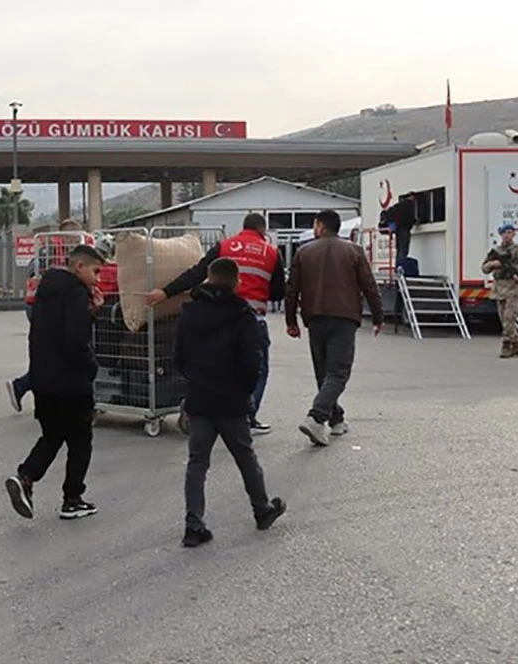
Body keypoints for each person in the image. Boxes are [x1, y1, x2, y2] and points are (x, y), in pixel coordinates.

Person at [174, 258, 287, 548]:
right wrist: (245, 392)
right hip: (232, 400)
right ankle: (262, 509)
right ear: (236, 282)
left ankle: (193, 523)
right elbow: (252, 363)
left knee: (197, 463)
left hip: (199, 398)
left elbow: (179, 358)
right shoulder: (242, 315)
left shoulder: (189, 312)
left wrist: (195, 381)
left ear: (208, 278)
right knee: (245, 458)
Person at [145, 212, 286, 435]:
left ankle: (200, 407)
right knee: (256, 370)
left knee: (214, 367)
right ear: (263, 231)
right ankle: (245, 416)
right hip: (250, 319)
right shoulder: (271, 252)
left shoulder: (224, 246)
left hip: (214, 316)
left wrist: (165, 292)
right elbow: (278, 292)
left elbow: (197, 273)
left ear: (243, 228)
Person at [4, 244, 105, 521]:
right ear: (79, 267)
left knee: (53, 435)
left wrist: (90, 313)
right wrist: (91, 367)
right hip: (70, 382)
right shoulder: (74, 293)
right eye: (95, 271)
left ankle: (25, 478)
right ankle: (72, 499)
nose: (97, 279)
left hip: (44, 380)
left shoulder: (47, 292)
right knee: (81, 440)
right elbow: (75, 340)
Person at [284, 210, 384, 447]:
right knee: (338, 372)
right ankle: (317, 417)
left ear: (320, 226)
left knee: (324, 372)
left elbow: (292, 289)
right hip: (344, 317)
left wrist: (291, 321)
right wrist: (378, 316)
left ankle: (336, 419)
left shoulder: (304, 252)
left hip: (315, 317)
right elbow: (369, 286)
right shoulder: (353, 251)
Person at [7, 219, 94, 413]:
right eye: (76, 237)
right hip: (45, 307)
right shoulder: (58, 255)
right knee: (56, 355)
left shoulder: (48, 251)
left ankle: (24, 387)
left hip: (40, 306)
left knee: (51, 355)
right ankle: (23, 386)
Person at [481, 223, 518, 358]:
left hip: (513, 288)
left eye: (509, 232)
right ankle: (517, 345)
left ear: (514, 234)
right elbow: (484, 268)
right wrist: (493, 264)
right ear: (501, 235)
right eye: (504, 233)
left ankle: (507, 346)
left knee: (509, 319)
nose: (507, 235)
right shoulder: (496, 251)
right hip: (499, 288)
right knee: (502, 318)